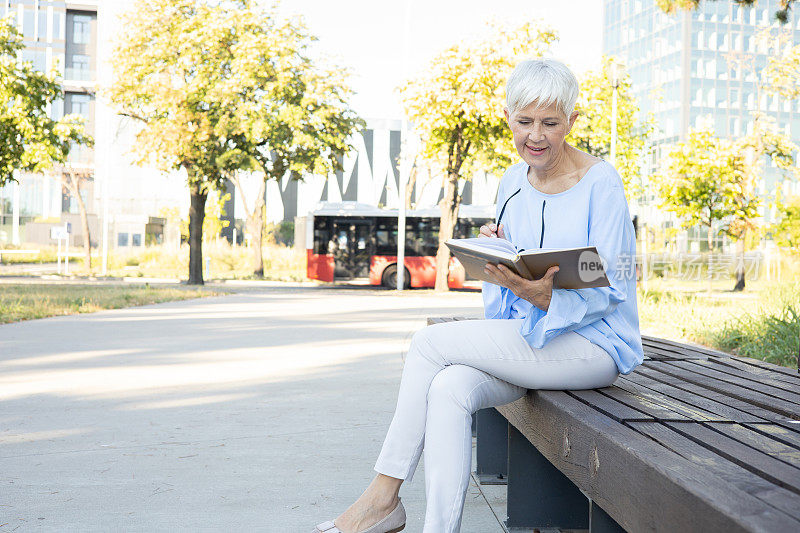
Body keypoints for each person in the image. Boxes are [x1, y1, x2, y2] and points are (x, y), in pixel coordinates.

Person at [312, 58, 643, 533]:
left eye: (550, 122)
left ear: (572, 120)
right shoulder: (512, 183)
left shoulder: (600, 185)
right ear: (508, 117)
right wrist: (498, 254)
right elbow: (516, 276)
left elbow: (610, 281)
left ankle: (381, 498)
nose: (536, 135)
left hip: (594, 347)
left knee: (428, 345)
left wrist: (544, 296)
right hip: (531, 340)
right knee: (448, 389)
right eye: (525, 121)